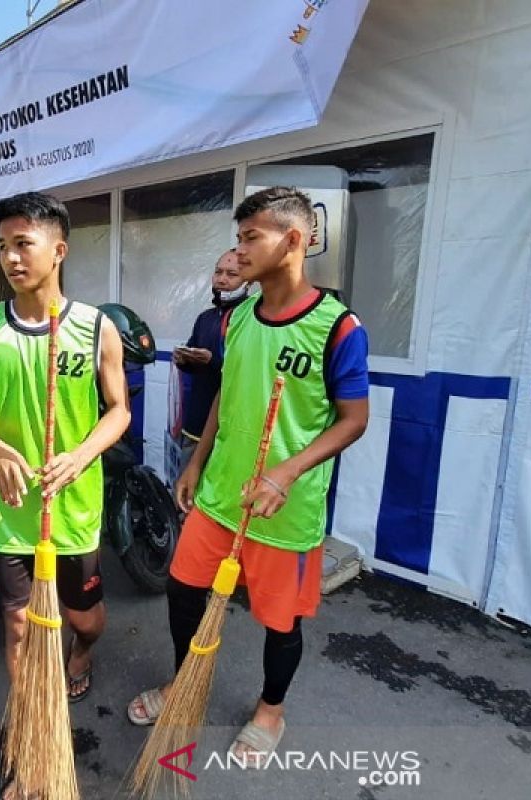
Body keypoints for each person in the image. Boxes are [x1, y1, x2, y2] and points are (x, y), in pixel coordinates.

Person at [125, 187, 369, 767]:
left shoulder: (338, 327)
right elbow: (223, 401)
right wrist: (195, 461)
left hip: (284, 511)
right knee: (183, 593)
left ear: (293, 240)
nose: (239, 250)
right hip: (219, 498)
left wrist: (287, 470)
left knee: (279, 622)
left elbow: (353, 419)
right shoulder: (234, 321)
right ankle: (186, 686)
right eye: (238, 238)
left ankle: (270, 710)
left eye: (249, 237)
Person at [0, 192, 130, 795]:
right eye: (1, 245)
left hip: (73, 511)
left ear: (59, 250)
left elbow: (118, 411)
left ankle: (83, 653)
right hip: (5, 513)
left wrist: (82, 455)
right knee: (21, 628)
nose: (8, 256)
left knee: (85, 617)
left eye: (21, 243)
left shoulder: (95, 327)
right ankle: (36, 745)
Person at [172, 249, 248, 467]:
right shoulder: (205, 318)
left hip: (228, 433)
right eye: (218, 272)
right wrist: (184, 359)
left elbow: (247, 374)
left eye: (232, 274)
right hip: (195, 426)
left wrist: (213, 361)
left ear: (248, 281)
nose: (222, 279)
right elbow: (194, 364)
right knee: (186, 496)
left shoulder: (250, 318)